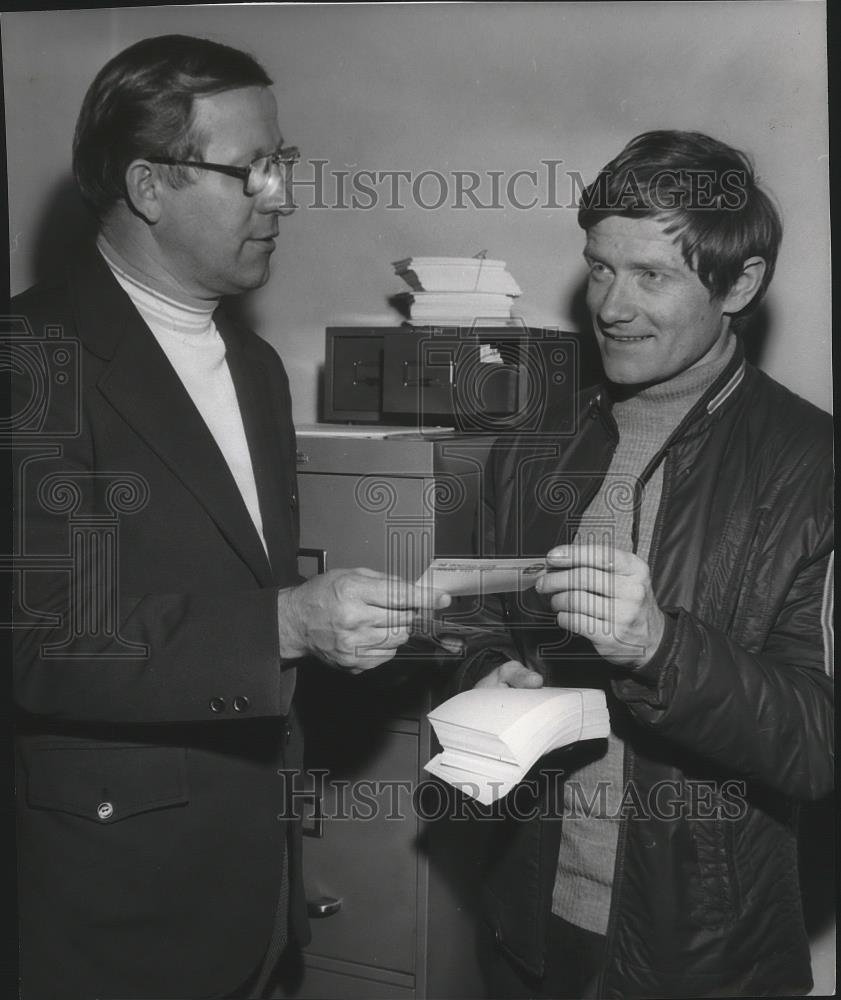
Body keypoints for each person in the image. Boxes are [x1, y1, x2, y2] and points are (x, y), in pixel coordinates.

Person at [10, 34, 448, 1000]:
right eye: (248, 167)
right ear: (148, 184)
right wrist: (288, 621)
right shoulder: (30, 360)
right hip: (112, 912)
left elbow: (241, 619)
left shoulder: (251, 367)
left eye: (280, 163)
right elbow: (40, 641)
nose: (280, 194)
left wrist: (408, 645)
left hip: (253, 894)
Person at [444, 131, 834, 997]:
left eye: (651, 276)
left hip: (701, 960)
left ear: (740, 284)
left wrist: (661, 647)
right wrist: (483, 670)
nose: (611, 306)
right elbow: (466, 612)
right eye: (599, 268)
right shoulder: (535, 445)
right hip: (528, 926)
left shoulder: (816, 467)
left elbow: (819, 741)